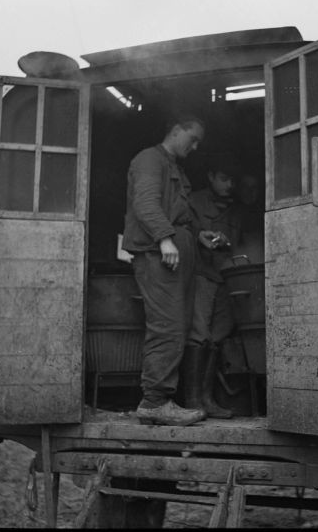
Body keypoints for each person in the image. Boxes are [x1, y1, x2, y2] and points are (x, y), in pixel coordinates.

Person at [122, 114, 218, 426]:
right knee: (167, 326)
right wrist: (165, 238)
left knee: (179, 326)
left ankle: (163, 399)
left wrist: (196, 236)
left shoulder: (174, 166)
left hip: (175, 255)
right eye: (192, 139)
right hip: (158, 256)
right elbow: (146, 204)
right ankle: (154, 402)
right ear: (176, 131)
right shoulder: (150, 159)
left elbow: (178, 212)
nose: (196, 146)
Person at [181, 154, 242, 419]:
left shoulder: (235, 209)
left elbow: (240, 246)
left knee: (216, 336)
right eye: (224, 179)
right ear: (210, 176)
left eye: (233, 180)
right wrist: (198, 237)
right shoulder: (193, 202)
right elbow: (181, 233)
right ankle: (192, 400)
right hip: (200, 274)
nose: (230, 185)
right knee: (199, 334)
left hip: (224, 277)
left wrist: (228, 243)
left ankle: (206, 399)